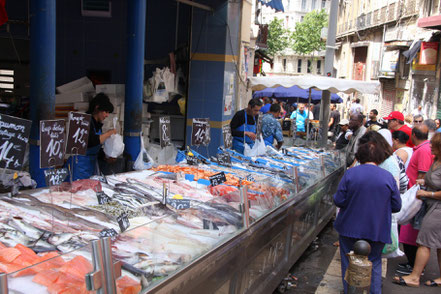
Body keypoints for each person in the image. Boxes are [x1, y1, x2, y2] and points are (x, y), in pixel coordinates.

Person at [334, 136, 401, 294]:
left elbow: (339, 200)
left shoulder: (350, 174)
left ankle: (350, 291)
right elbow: (397, 206)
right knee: (374, 263)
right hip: (376, 229)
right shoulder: (388, 177)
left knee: (348, 262)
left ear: (359, 156)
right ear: (379, 157)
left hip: (349, 228)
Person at [393, 132, 441, 288]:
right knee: (438, 244)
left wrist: (428, 193)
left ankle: (414, 277)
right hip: (432, 206)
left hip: (437, 208)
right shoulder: (436, 161)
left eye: (434, 144)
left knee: (424, 242)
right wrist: (425, 183)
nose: (430, 146)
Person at [398, 124, 434, 275]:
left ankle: (414, 266)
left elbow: (422, 174)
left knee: (411, 233)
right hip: (414, 195)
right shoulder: (422, 149)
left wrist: (416, 193)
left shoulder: (424, 150)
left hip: (416, 198)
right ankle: (412, 263)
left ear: (413, 135)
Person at [66, 93, 116, 181]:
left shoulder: (97, 125)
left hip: (90, 166)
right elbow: (91, 141)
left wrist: (105, 157)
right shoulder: (84, 121)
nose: (107, 115)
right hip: (78, 166)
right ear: (97, 108)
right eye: (106, 112)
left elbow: (96, 148)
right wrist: (109, 133)